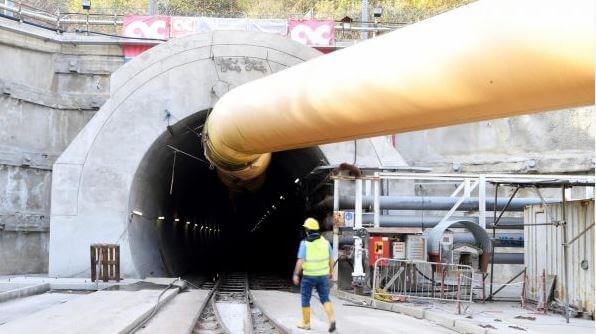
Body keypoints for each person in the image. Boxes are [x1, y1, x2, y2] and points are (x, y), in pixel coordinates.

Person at [292, 217, 336, 332]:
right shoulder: (326, 243)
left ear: (307, 230)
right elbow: (331, 260)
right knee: (325, 298)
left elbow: (300, 261)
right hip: (323, 276)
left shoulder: (305, 244)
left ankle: (306, 323)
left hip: (308, 277)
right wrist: (331, 272)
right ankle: (331, 319)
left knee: (305, 299)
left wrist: (296, 274)